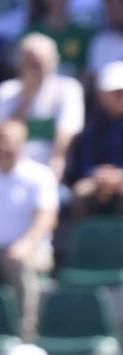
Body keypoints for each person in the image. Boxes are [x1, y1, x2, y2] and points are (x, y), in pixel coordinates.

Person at [66, 60, 123, 219]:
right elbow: (84, 157)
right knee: (81, 193)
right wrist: (97, 174)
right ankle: (85, 240)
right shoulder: (92, 120)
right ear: (101, 94)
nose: (122, 97)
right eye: (116, 92)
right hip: (98, 178)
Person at [0, 121, 57, 342]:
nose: (6, 146)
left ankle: (27, 337)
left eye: (11, 140)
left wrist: (27, 243)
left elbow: (47, 217)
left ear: (23, 143)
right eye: (2, 139)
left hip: (32, 250)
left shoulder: (39, 174)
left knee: (20, 263)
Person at [0, 34, 83, 182]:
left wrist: (57, 160)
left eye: (40, 62)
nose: (36, 68)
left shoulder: (68, 88)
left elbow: (67, 131)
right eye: (31, 63)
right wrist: (26, 98)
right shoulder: (7, 91)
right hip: (11, 169)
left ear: (54, 61)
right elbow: (7, 136)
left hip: (50, 168)